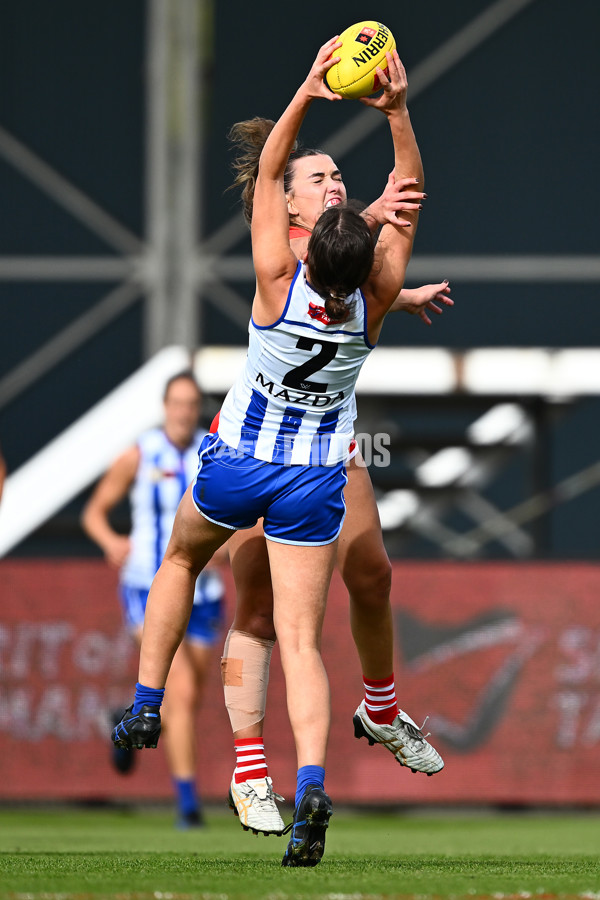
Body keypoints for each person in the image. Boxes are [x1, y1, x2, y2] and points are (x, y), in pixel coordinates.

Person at [113, 38, 425, 868]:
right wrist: (397, 116)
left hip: (241, 458)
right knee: (291, 633)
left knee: (184, 560)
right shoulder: (373, 294)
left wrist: (309, 88)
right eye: (322, 178)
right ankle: (297, 777)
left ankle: (147, 702)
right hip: (313, 477)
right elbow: (402, 207)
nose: (337, 185)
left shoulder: (275, 275)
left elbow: (282, 184)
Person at [221, 89, 450, 837]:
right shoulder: (280, 253)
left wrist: (398, 113)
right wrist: (376, 224)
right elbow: (315, 258)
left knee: (374, 575)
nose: (336, 185)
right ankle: (250, 773)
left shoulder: (348, 258)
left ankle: (380, 709)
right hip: (253, 443)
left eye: (339, 177)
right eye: (318, 178)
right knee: (259, 611)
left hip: (329, 445)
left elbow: (374, 235)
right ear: (287, 200)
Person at [82, 371, 225, 828]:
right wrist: (111, 541)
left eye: (190, 404)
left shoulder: (214, 450)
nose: (183, 412)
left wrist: (228, 548)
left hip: (205, 593)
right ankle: (188, 807)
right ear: (165, 408)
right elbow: (94, 513)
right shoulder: (140, 454)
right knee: (180, 693)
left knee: (189, 700)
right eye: (176, 403)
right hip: (149, 585)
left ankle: (125, 720)